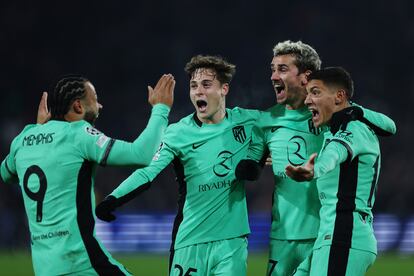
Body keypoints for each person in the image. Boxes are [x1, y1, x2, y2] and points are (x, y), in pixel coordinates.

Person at [235, 41, 396, 276]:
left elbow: (384, 129)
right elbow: (252, 163)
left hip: (330, 229)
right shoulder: (270, 119)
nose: (273, 76)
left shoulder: (337, 120)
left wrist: (357, 112)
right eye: (272, 69)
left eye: (282, 69)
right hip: (287, 233)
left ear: (305, 76)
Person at [95, 55, 261, 276]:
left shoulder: (246, 121)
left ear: (224, 89)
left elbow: (277, 131)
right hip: (189, 241)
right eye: (193, 86)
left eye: (206, 84)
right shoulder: (177, 133)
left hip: (232, 242)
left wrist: (258, 157)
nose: (198, 91)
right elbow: (148, 171)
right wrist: (112, 199)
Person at [0, 74, 175, 275]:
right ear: (78, 106)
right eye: (95, 99)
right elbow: (142, 154)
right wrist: (161, 109)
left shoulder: (23, 139)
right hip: (82, 263)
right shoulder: (78, 134)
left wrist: (39, 130)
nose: (100, 106)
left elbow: (6, 174)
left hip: (44, 269)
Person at [285, 67, 392, 275]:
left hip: (345, 238)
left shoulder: (353, 130)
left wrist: (314, 169)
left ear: (339, 97)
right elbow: (390, 126)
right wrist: (357, 110)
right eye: (307, 94)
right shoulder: (335, 132)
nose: (307, 100)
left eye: (315, 92)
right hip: (329, 237)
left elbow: (335, 154)